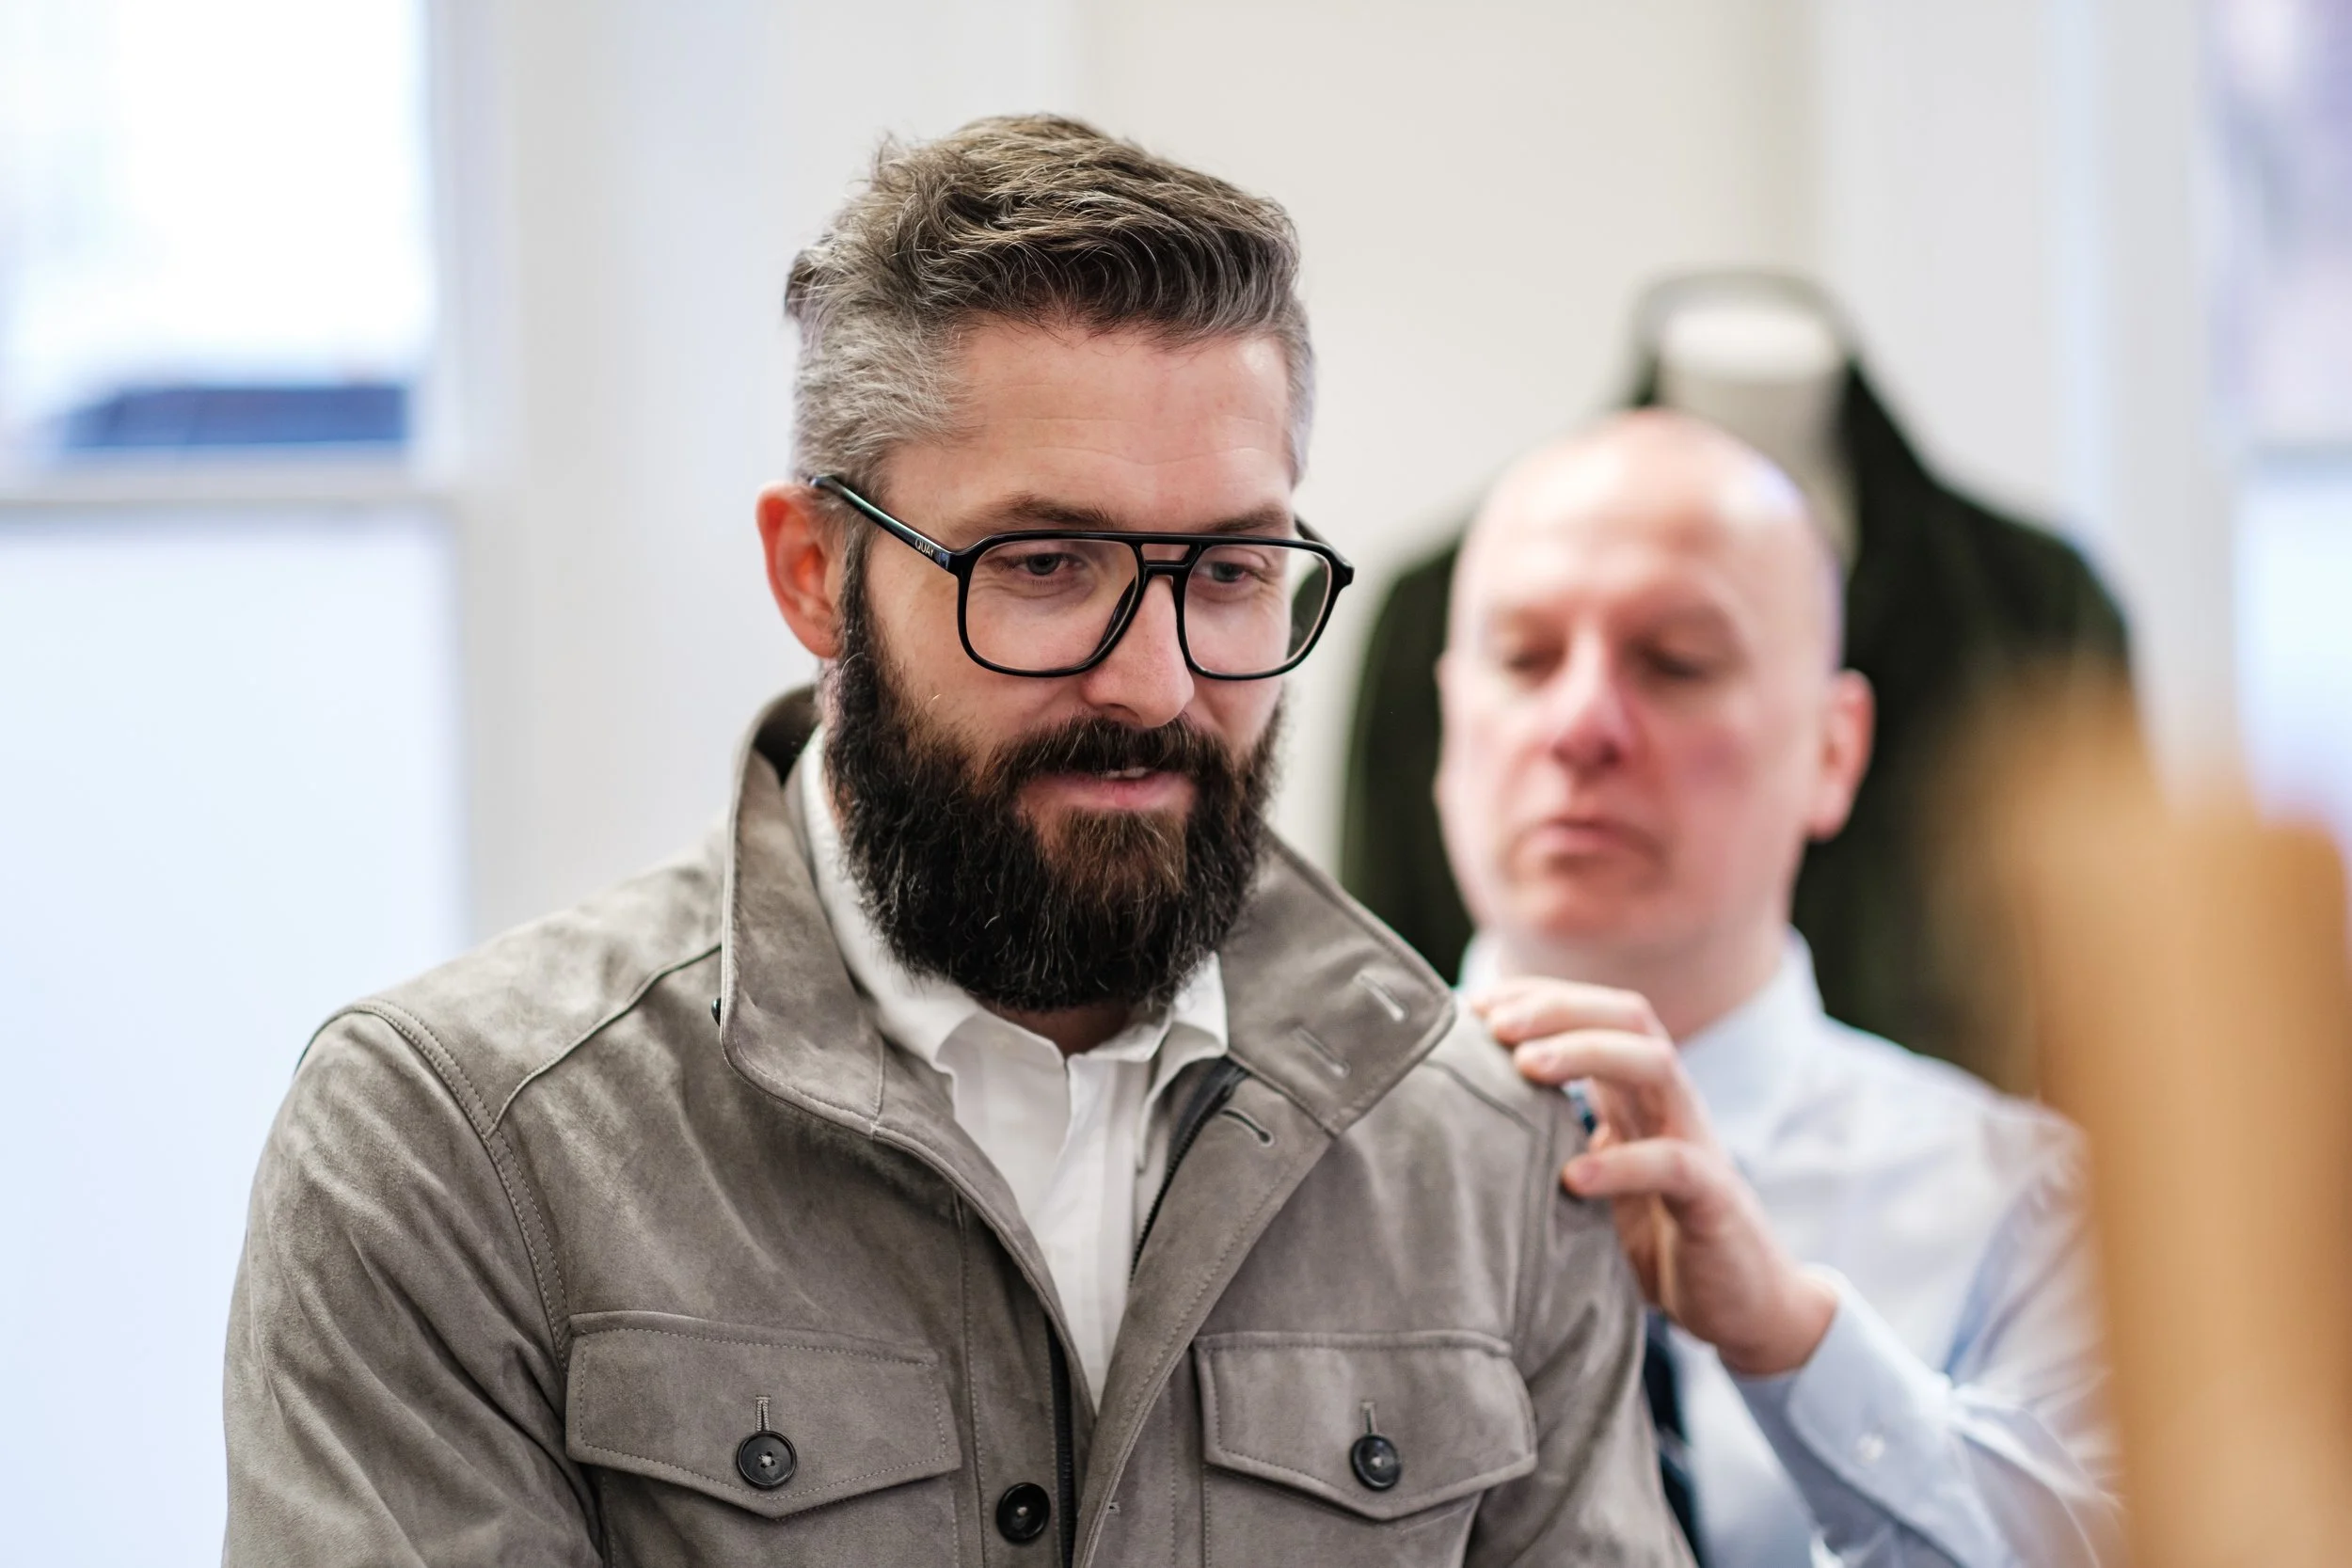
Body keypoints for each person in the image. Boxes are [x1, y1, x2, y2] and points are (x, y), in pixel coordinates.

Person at [222, 117, 1688, 1566]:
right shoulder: (458, 1146)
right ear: (816, 573)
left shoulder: (1481, 1152)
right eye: (1046, 565)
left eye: (1232, 571)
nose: (1157, 682)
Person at [1435, 409, 2122, 1568]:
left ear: (1833, 750)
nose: (1581, 723)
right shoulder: (1240, 1176)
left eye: (1675, 662)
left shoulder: (2033, 1215)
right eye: (1525, 657)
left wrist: (1795, 1345)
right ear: (1452, 721)